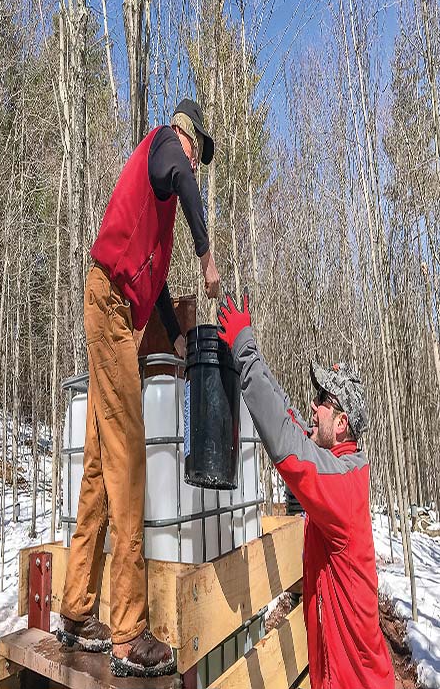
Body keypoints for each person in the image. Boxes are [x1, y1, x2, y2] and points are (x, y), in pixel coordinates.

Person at [57, 99, 220, 678]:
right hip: (108, 308)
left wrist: (178, 339)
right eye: (199, 152)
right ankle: (128, 632)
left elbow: (153, 290)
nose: (195, 165)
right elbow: (176, 171)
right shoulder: (165, 149)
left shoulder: (161, 208)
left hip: (118, 310)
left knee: (101, 463)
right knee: (129, 458)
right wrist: (208, 255)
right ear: (189, 137)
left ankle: (76, 610)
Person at [217, 292, 395, 689]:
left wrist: (244, 349)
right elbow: (291, 419)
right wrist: (254, 352)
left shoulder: (342, 485)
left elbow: (288, 445)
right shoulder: (339, 466)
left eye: (323, 402)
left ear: (343, 422)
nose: (313, 406)